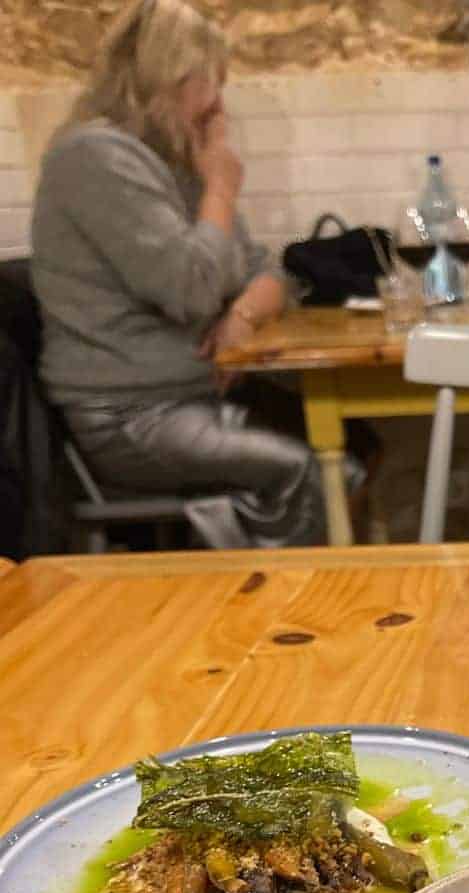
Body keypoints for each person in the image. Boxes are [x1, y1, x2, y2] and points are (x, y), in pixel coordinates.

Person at [30, 0, 356, 549]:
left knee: (350, 443)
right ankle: (284, 620)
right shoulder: (95, 158)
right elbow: (191, 289)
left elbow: (268, 272)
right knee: (312, 469)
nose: (217, 106)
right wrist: (222, 189)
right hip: (131, 417)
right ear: (165, 81)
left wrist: (243, 316)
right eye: (209, 84)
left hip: (192, 395)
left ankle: (274, 591)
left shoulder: (171, 165)